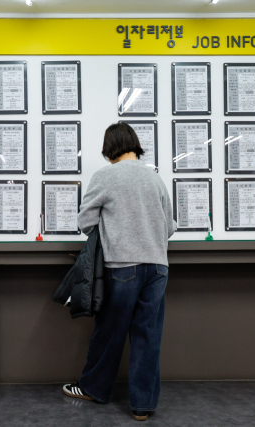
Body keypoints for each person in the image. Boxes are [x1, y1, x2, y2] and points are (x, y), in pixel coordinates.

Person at [62, 123, 176, 421]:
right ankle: (143, 406)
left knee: (109, 333)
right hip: (158, 267)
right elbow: (170, 227)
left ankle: (94, 388)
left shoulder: (106, 176)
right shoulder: (155, 178)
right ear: (134, 146)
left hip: (122, 266)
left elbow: (85, 222)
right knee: (148, 336)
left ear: (110, 148)